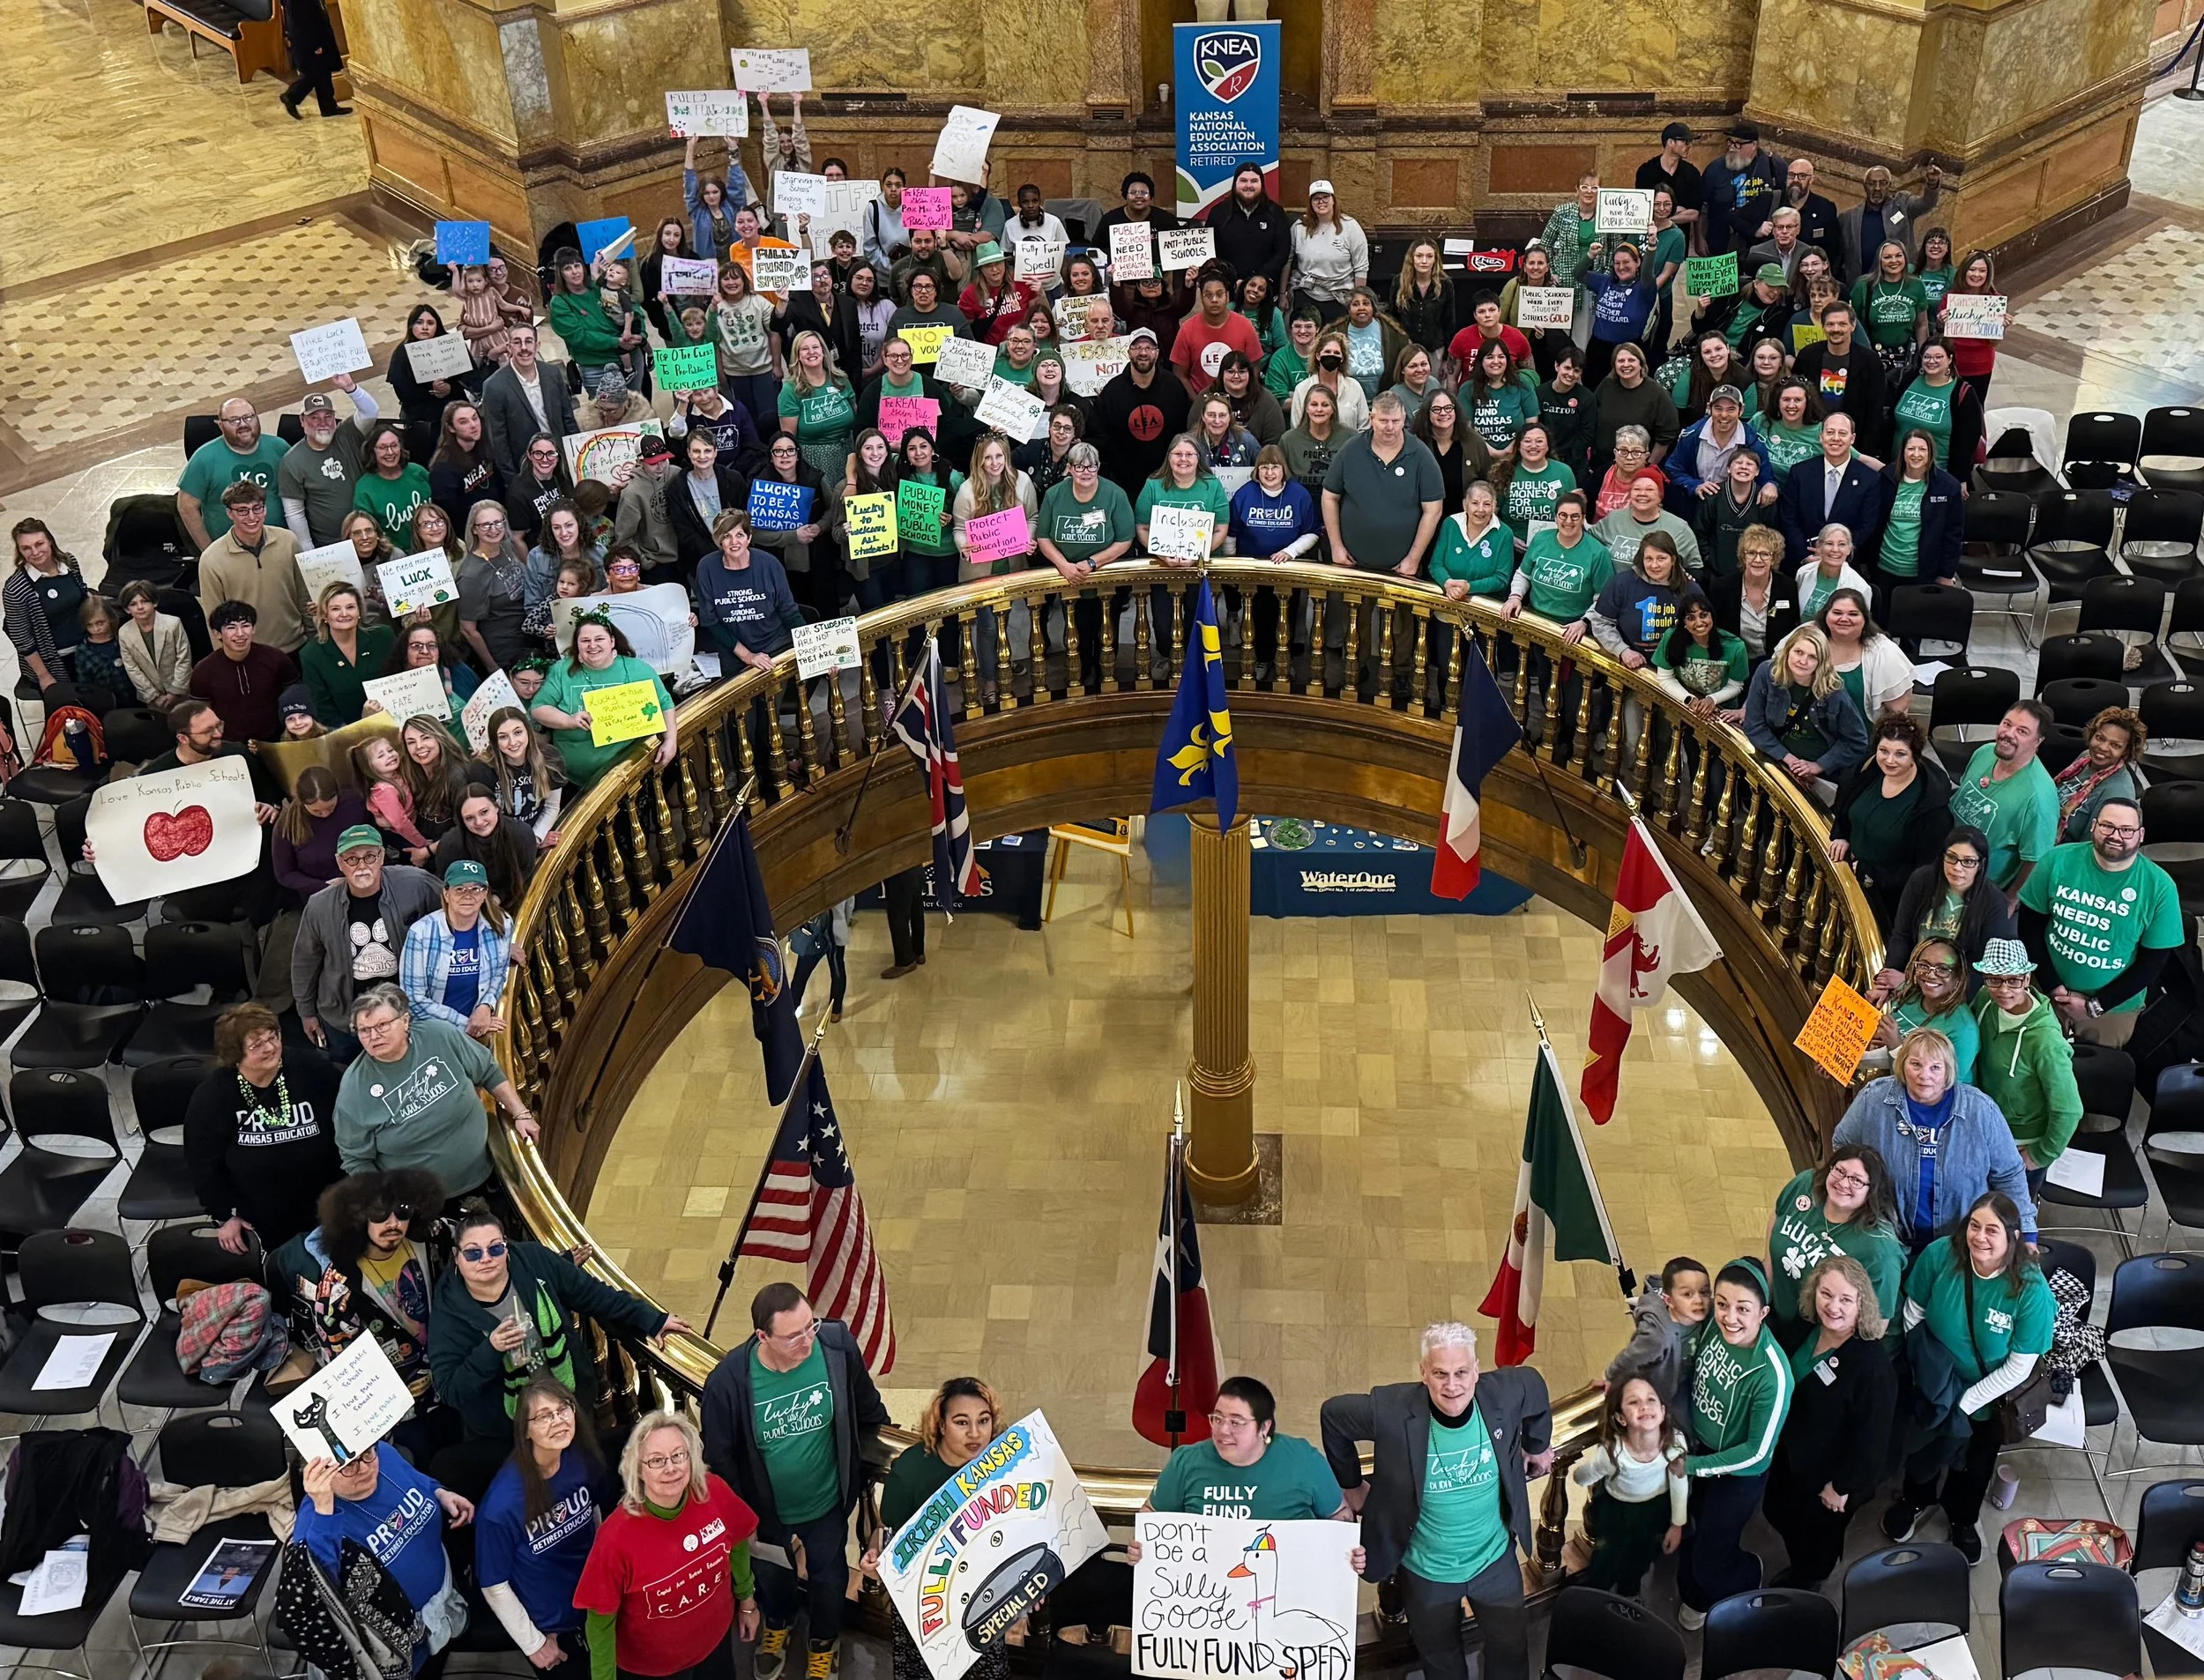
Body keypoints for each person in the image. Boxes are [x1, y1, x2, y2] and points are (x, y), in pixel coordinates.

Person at [1322, 1323, 1552, 1680]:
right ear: (1424, 1373)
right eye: (1440, 1374)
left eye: (1461, 1372)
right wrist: (1351, 1486)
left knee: (1511, 1651)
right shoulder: (1391, 1409)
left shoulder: (1506, 1392)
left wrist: (1537, 1445)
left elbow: (1535, 1386)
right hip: (1426, 1571)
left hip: (1494, 1562)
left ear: (1476, 1370)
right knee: (1440, 1661)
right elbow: (1333, 1416)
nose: (1452, 1385)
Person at [699, 1282, 891, 1680]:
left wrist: (888, 1451)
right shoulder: (728, 1382)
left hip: (827, 1503)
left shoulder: (836, 1345)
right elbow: (720, 1456)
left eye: (810, 1326)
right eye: (793, 1336)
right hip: (765, 1511)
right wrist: (741, 1517)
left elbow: (866, 1404)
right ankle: (779, 1624)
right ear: (762, 1337)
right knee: (772, 1575)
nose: (807, 1341)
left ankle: (823, 1642)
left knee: (830, 1576)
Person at [428, 1201, 684, 1485]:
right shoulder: (448, 1312)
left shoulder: (533, 1261)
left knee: (588, 1477)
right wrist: (491, 1350)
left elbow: (593, 1295)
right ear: (457, 1256)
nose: (486, 1259)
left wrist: (652, 1319)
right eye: (473, 1253)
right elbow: (450, 1389)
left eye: (495, 1248)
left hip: (570, 1406)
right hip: (511, 1434)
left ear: (507, 1248)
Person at [1882, 1191, 2051, 1565]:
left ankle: (1962, 1520)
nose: (1980, 1237)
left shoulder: (2030, 1289)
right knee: (1923, 1448)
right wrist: (1924, 1368)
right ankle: (1915, 1499)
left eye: (1992, 1230)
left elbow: (2019, 1366)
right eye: (1974, 1226)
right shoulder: (1941, 1254)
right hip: (1934, 1383)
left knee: (1974, 1465)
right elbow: (1914, 1310)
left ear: (2013, 1237)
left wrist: (1965, 1403)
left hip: (1988, 1397)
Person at [576, 1409, 760, 1680]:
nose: (670, 1468)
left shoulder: (713, 1491)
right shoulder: (615, 1538)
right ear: (638, 1469)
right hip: (653, 1669)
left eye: (678, 1455)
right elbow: (600, 1622)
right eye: (656, 1460)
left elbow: (739, 1541)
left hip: (715, 1646)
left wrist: (747, 1602)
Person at [1835, 1026, 2037, 1252]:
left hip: (1961, 1243)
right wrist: (1858, 1197)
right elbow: (1843, 1146)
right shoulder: (1873, 1098)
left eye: (1935, 1068)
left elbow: (2009, 1175)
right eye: (1916, 1064)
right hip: (1888, 1238)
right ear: (1901, 1064)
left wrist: (2027, 1234)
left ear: (1948, 1071)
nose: (1924, 1076)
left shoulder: (1981, 1110)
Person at [864, 1378, 1013, 1680]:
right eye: (962, 1422)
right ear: (942, 1425)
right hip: (924, 1600)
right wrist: (876, 1556)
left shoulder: (1005, 1465)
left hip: (983, 1594)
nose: (975, 1433)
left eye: (983, 1420)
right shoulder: (911, 1469)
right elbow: (888, 1530)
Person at [1761, 1255, 1895, 1590]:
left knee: (1815, 1541)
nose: (1833, 1307)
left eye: (1846, 1299)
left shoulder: (1872, 1367)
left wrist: (1841, 1487)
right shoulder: (1806, 1328)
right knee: (1778, 1511)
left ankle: (1807, 1584)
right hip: (1789, 1457)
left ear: (1861, 1304)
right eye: (1826, 1294)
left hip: (1827, 1481)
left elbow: (1872, 1442)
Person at [1674, 1257, 1792, 1630]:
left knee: (1711, 1554)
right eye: (1722, 1304)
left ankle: (1745, 1576)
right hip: (1699, 1453)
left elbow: (1756, 1452)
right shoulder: (1712, 1325)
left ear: (1763, 1313)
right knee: (1692, 1529)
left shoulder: (1773, 1375)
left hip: (1737, 1475)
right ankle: (1694, 1590)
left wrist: (1693, 1467)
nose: (1729, 1317)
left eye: (1743, 1309)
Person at [334, 981, 540, 1194]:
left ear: (405, 1021)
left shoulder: (440, 1035)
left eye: (382, 1025)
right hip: (419, 1201)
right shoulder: (353, 1088)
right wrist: (387, 1200)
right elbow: (355, 1159)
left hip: (489, 1174)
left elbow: (488, 1071)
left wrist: (521, 1113)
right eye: (364, 1030)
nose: (374, 1036)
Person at [476, 1373, 615, 1670]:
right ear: (525, 1430)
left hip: (597, 1603)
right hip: (554, 1628)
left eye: (563, 1409)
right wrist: (534, 1644)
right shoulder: (501, 1506)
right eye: (543, 1416)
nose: (558, 1421)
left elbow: (595, 1512)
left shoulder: (581, 1458)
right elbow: (494, 1584)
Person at [295, 1445, 473, 1670]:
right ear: (322, 1474)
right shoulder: (315, 1525)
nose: (364, 1468)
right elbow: (321, 1592)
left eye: (367, 1453)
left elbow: (418, 1482)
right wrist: (323, 1509)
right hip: (393, 1648)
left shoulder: (384, 1455)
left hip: (440, 1610)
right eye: (348, 1466)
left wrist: (441, 1493)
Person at [185, 1003, 342, 1253]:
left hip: (328, 1202)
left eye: (273, 1037)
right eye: (257, 1044)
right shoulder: (213, 1096)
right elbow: (202, 1163)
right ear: (235, 1053)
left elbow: (347, 1122)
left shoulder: (312, 1069)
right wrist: (223, 1217)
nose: (270, 1047)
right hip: (260, 1213)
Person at [1969, 940, 2083, 1191]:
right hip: (1986, 1129)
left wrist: (2040, 1155)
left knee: (2010, 1210)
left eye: (2013, 980)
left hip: (2020, 1144)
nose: (2003, 990)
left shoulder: (2046, 1041)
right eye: (1994, 979)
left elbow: (2069, 1110)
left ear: (2027, 979)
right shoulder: (1985, 999)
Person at [1764, 1145, 1904, 1349]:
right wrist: (1762, 1300)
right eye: (1839, 1171)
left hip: (1824, 1341)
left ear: (1871, 1190)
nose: (1844, 1183)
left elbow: (1877, 1324)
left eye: (1856, 1180)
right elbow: (1776, 1219)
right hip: (1778, 1315)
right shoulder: (1805, 1185)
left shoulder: (1880, 1248)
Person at [530, 612, 678, 792]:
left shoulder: (638, 669)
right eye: (585, 640)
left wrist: (671, 740)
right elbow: (538, 708)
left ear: (612, 641)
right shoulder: (561, 670)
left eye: (599, 639)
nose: (592, 645)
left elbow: (665, 703)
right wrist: (569, 721)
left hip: (630, 774)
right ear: (577, 644)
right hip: (573, 779)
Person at [1569, 1377, 1688, 1599]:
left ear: (1662, 1411)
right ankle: (1595, 1598)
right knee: (1606, 1558)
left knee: (1642, 1556)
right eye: (1634, 1402)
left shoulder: (1674, 1443)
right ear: (1621, 1418)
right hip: (1616, 1509)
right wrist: (1582, 1474)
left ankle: (1629, 1594)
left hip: (1655, 1509)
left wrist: (1677, 1524)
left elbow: (1679, 1481)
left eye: (1651, 1399)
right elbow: (1586, 1476)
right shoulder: (1614, 1452)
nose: (1644, 1406)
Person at [1831, 715, 1952, 930]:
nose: (1889, 760)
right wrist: (1841, 834)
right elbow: (1845, 801)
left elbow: (1925, 871)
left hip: (1888, 900)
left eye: (1900, 754)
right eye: (1884, 751)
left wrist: (1872, 874)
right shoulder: (1869, 770)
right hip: (1852, 877)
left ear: (1915, 756)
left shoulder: (1931, 809)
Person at [1878, 826, 2016, 997]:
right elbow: (1902, 936)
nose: (1957, 867)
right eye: (1952, 857)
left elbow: (1981, 968)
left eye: (1968, 861)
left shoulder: (1994, 903)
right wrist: (1886, 981)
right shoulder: (1921, 880)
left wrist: (1913, 981)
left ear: (1980, 865)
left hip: (1956, 990)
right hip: (1910, 972)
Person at [1741, 623, 1868, 802]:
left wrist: (1818, 766)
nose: (1803, 661)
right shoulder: (1767, 673)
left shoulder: (1834, 692)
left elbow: (1857, 741)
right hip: (1776, 761)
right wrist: (1788, 758)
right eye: (1799, 652)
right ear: (1788, 651)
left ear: (1821, 662)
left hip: (1818, 775)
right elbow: (1754, 725)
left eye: (1812, 657)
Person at [1948, 700, 2059, 902]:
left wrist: (2011, 900)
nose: (2009, 734)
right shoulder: (1984, 752)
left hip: (1980, 888)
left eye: (2022, 731)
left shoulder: (2039, 796)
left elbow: (2036, 860)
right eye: (2007, 724)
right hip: (1946, 863)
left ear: (2038, 741)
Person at [398, 859, 516, 1041]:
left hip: (483, 1025)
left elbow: (499, 975)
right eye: (459, 889)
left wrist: (486, 1006)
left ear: (485, 893)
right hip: (435, 1032)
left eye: (475, 889)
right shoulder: (421, 933)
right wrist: (467, 1024)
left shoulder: (502, 925)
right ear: (446, 894)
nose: (468, 895)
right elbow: (413, 999)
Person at [197, 481, 311, 655]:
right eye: (242, 511)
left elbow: (304, 595)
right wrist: (226, 659)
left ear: (265, 509)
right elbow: (213, 618)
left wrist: (313, 637)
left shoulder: (288, 541)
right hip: (248, 654)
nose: (252, 517)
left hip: (296, 646)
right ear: (229, 513)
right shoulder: (211, 560)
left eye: (257, 508)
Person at [179, 398, 291, 549]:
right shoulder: (204, 459)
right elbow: (186, 507)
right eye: (234, 420)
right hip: (229, 551)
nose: (243, 424)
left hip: (278, 546)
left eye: (248, 417)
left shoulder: (280, 448)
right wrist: (208, 551)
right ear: (221, 425)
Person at [1606, 1256, 1712, 1414]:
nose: (1699, 1300)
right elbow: (1631, 1358)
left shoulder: (1695, 1316)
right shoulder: (1659, 1337)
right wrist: (1611, 1378)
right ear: (1669, 1301)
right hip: (1659, 1388)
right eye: (1687, 1294)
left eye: (1704, 1292)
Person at [1868, 938, 1982, 1083]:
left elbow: (1935, 1088)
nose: (1931, 974)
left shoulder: (1963, 1030)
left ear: (1958, 977)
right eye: (1924, 966)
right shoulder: (1907, 994)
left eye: (1943, 969)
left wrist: (1895, 1046)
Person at [279, 387, 381, 548]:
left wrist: (351, 388)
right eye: (315, 418)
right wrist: (308, 550)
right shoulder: (292, 461)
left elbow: (370, 411)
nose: (323, 423)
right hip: (330, 544)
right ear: (302, 421)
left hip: (368, 535)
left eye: (328, 416)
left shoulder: (347, 434)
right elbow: (294, 512)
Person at [1777, 411, 1882, 566]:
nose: (1836, 438)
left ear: (1852, 439)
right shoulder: (1800, 472)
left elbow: (1867, 525)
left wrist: (1837, 553)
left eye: (1842, 433)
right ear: (1821, 437)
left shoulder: (1869, 479)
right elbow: (1788, 518)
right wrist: (1805, 554)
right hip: (1802, 562)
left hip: (1845, 564)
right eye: (1830, 432)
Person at [1873, 426, 1966, 596]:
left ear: (1931, 453)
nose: (1916, 454)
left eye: (1922, 449)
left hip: (1924, 573)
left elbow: (1953, 534)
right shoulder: (1886, 477)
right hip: (1885, 568)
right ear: (1903, 452)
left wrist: (1946, 573)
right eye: (1911, 449)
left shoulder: (1948, 487)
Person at [481, 323, 578, 485]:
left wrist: (577, 456)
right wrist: (512, 480)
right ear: (509, 347)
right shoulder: (494, 386)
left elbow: (568, 418)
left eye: (528, 341)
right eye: (517, 342)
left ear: (537, 345)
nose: (524, 348)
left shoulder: (552, 373)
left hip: (561, 461)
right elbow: (498, 440)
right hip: (527, 468)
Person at [190, 599, 298, 743]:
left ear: (253, 629)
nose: (240, 633)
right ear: (217, 634)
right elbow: (200, 713)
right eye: (231, 627)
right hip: (229, 744)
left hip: (277, 739)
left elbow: (295, 696)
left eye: (246, 626)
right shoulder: (204, 670)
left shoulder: (276, 658)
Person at [1791, 304, 1887, 450]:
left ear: (1853, 326)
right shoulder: (1808, 355)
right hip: (1811, 438)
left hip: (1853, 441)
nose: (1836, 329)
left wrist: (1867, 449)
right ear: (1823, 326)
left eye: (1842, 324)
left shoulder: (1870, 361)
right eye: (1830, 324)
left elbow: (1875, 410)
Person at [2051, 705, 2147, 843]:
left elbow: (2091, 844)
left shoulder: (2118, 792)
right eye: (2100, 738)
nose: (2103, 747)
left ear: (2126, 751)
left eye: (2115, 745)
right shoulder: (2085, 758)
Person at [1588, 343, 1679, 476]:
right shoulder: (1606, 385)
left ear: (1641, 364)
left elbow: (1667, 435)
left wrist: (1648, 467)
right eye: (1621, 361)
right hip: (1602, 465)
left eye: (1631, 360)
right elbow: (1592, 417)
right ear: (1614, 365)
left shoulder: (1657, 394)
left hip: (1636, 469)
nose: (1626, 365)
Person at [435, 787, 540, 903]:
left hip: (515, 898)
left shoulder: (521, 834)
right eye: (469, 818)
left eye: (484, 812)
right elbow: (448, 886)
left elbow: (525, 875)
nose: (479, 822)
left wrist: (499, 898)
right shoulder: (450, 845)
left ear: (496, 807)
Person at [1592, 470, 1703, 575]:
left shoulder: (1679, 528)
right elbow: (1588, 541)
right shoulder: (1614, 519)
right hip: (1616, 587)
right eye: (1637, 489)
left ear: (1660, 496)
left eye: (1649, 490)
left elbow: (1695, 568)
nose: (1642, 494)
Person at [1286, 182, 1368, 319]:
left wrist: (1358, 301)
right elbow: (1287, 261)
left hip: (1340, 298)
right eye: (1316, 198)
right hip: (1306, 293)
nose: (1321, 202)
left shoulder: (1351, 226)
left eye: (1325, 197)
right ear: (1311, 203)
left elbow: (1361, 267)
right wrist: (1282, 294)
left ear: (1333, 200)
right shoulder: (1299, 227)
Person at [112, 581, 192, 710]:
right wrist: (153, 695)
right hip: (153, 698)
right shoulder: (124, 632)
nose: (140, 607)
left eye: (144, 601)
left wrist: (175, 691)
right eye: (133, 604)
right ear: (127, 609)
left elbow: (184, 658)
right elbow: (132, 668)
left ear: (154, 602)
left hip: (181, 692)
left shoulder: (173, 624)